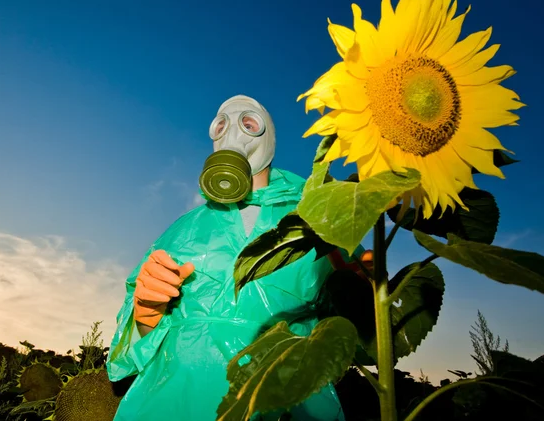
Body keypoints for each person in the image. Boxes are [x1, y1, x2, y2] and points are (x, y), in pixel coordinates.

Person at [106, 95, 371, 421]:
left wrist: (368, 287)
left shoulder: (320, 220)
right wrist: (146, 314)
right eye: (221, 126)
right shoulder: (182, 230)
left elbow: (363, 338)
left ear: (269, 136)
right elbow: (131, 344)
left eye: (248, 124)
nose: (232, 134)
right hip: (174, 400)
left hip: (289, 397)